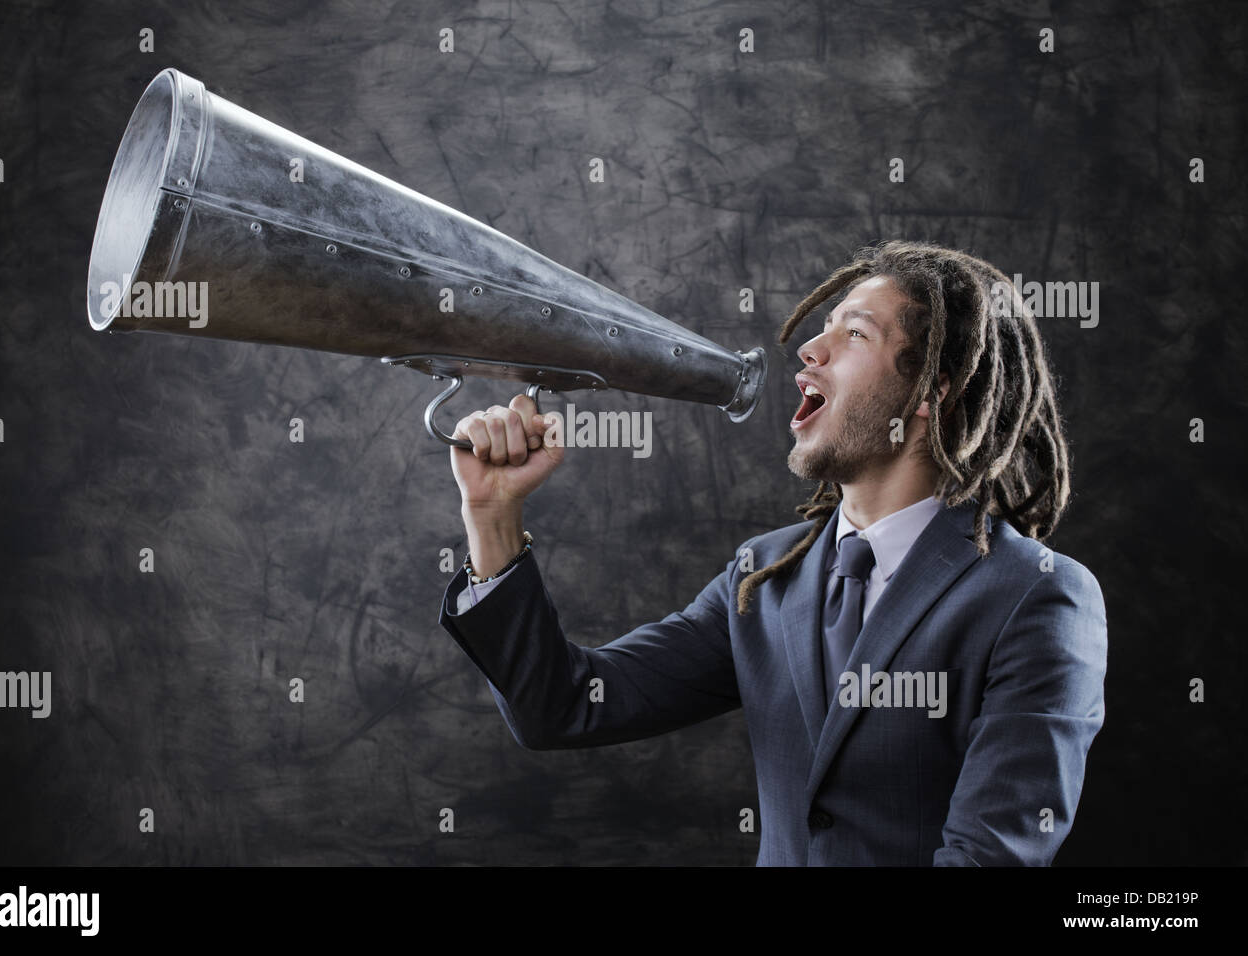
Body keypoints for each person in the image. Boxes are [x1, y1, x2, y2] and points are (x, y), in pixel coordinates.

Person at [437, 240, 1108, 866]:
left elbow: (988, 858)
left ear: (934, 391)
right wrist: (494, 517)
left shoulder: (1036, 596)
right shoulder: (765, 575)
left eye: (853, 333)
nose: (809, 351)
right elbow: (566, 706)